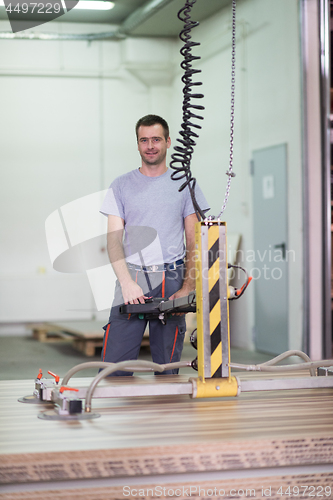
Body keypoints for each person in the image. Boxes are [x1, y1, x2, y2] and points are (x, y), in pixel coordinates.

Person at [100, 114, 209, 375]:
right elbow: (113, 239)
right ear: (137, 144)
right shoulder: (121, 185)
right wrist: (126, 282)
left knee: (168, 367)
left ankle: (168, 414)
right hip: (134, 277)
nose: (150, 145)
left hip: (173, 278)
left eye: (156, 139)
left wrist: (188, 286)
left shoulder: (185, 184)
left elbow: (194, 240)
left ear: (168, 142)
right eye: (144, 140)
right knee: (114, 368)